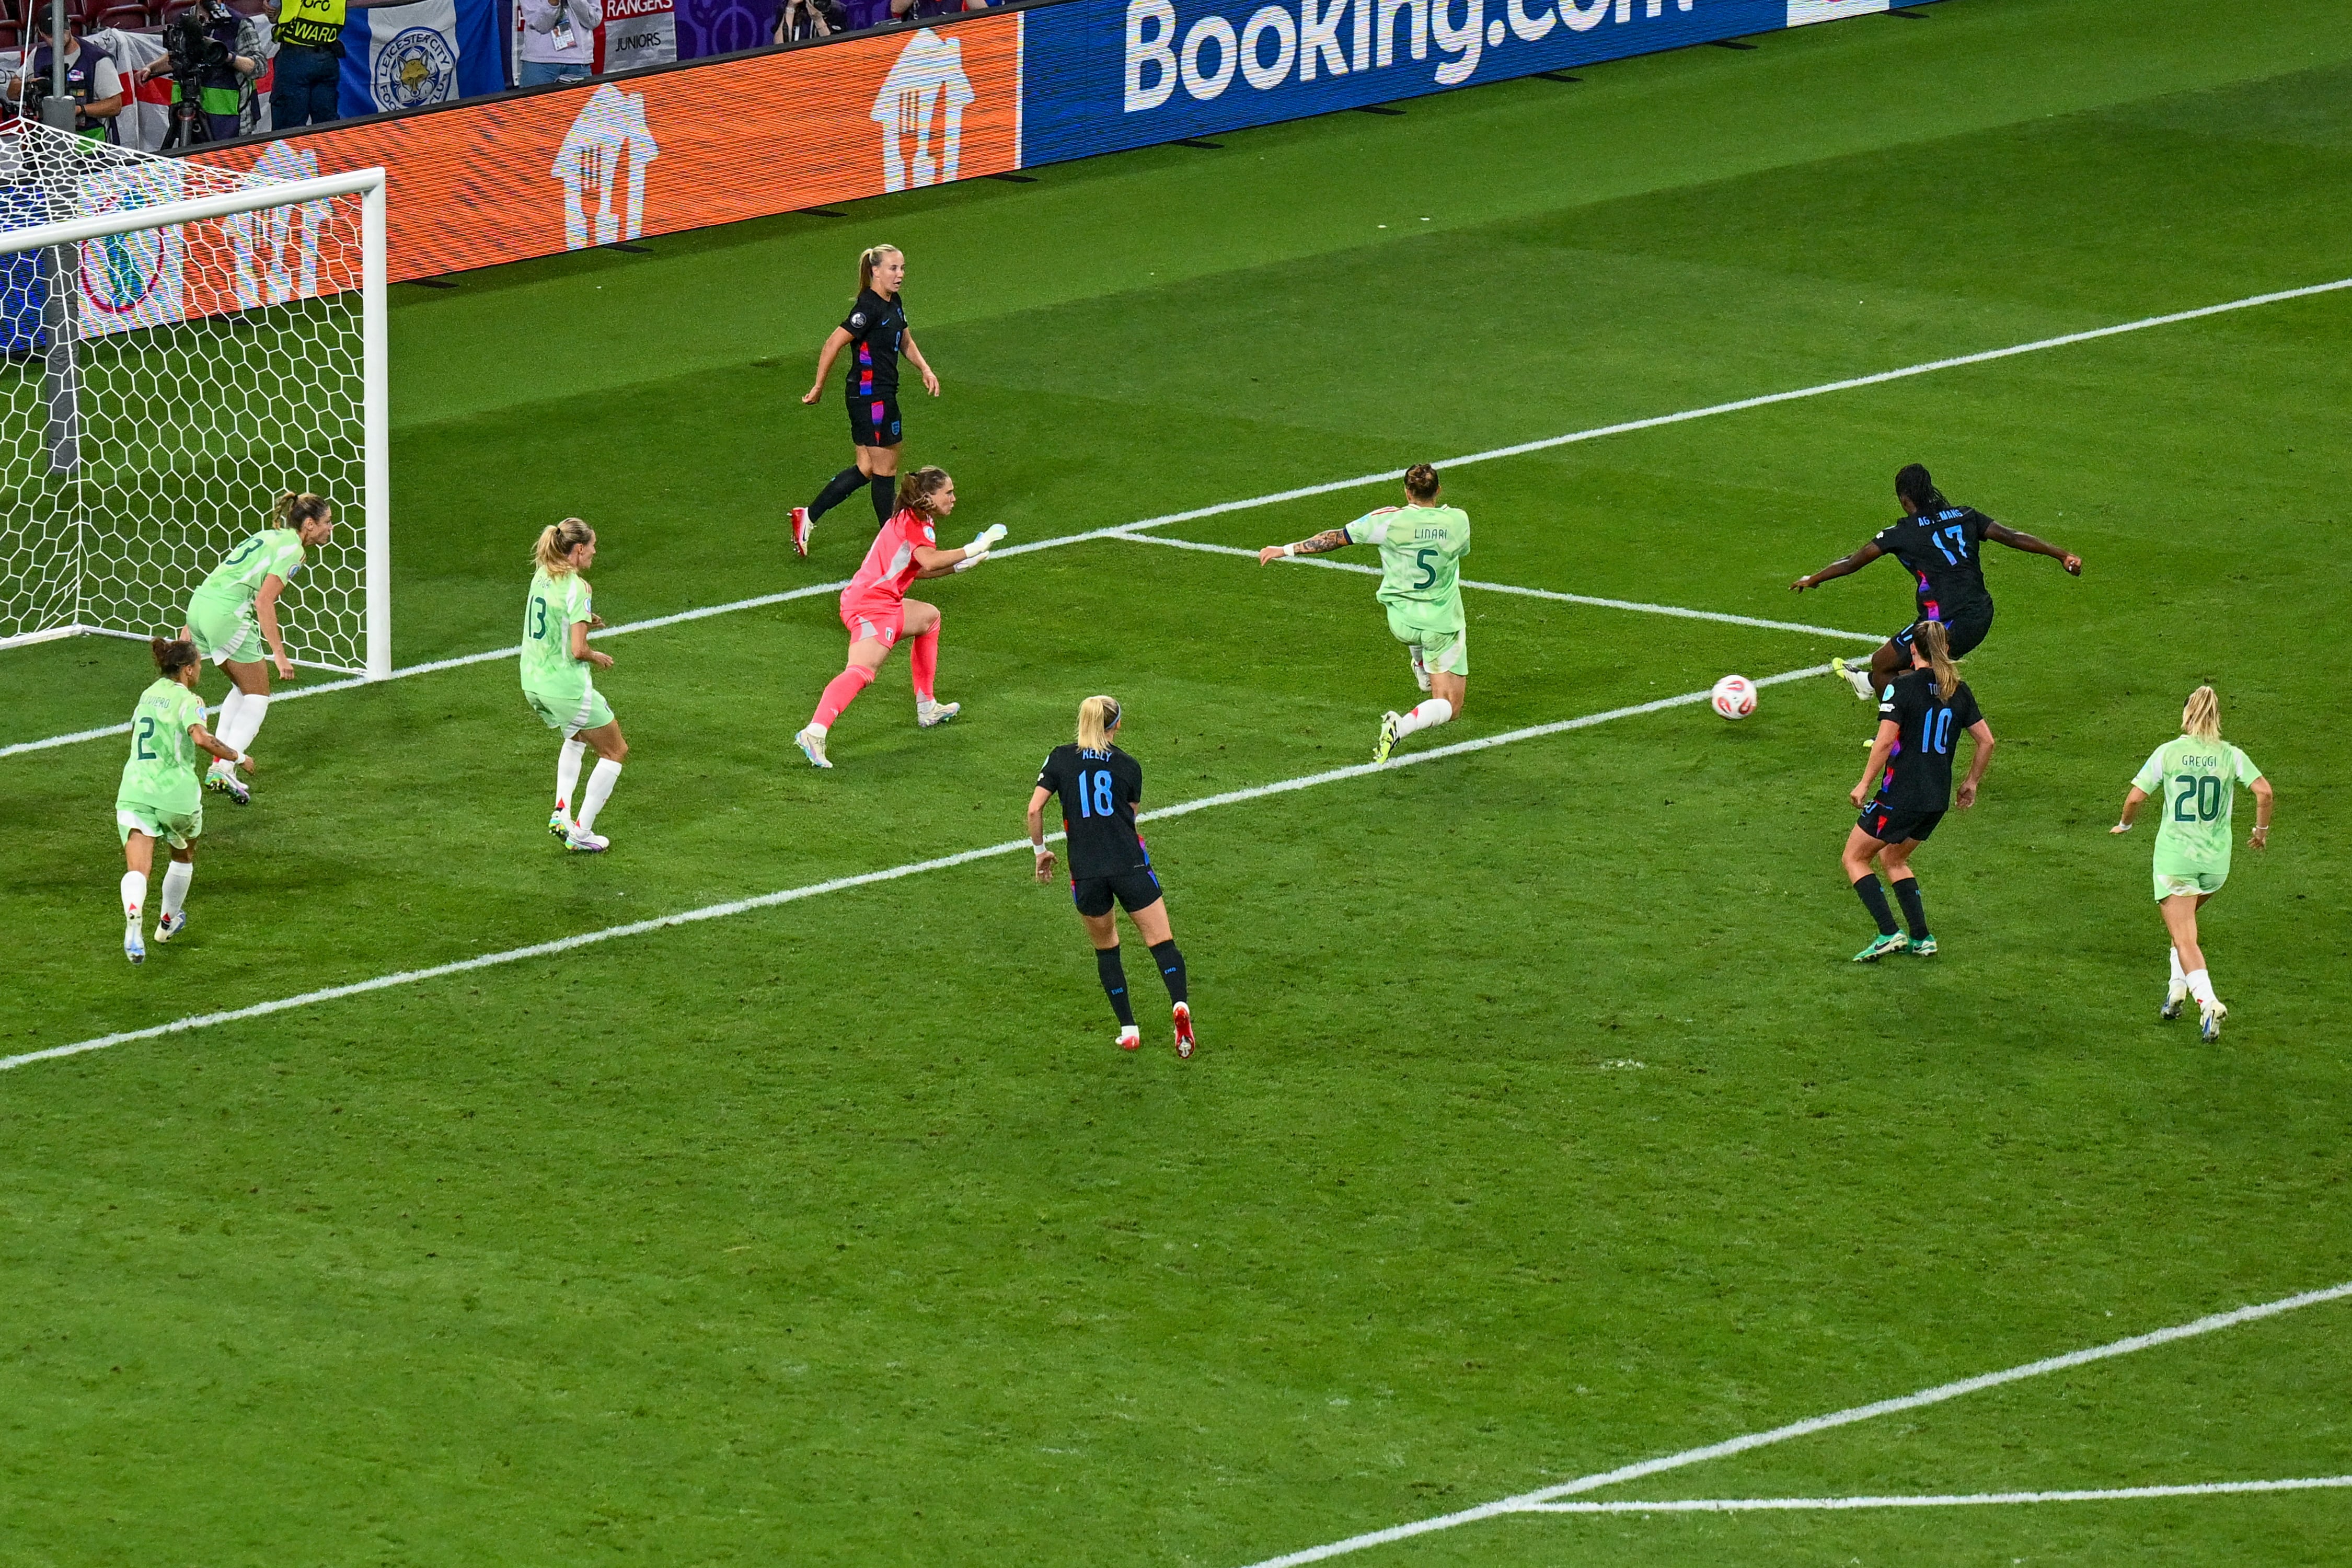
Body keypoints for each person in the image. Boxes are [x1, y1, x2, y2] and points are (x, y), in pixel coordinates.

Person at [1792, 463, 2083, 700]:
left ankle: (1897, 734)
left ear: (1905, 500)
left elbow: (1852, 562)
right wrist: (2062, 555)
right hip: (1982, 613)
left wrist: (1814, 579)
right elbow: (2012, 536)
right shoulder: (1965, 516)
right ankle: (1870, 685)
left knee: (1883, 665)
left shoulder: (1902, 533)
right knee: (1915, 671)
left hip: (1946, 623)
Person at [1256, 463, 1470, 763]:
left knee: (1419, 643)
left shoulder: (1386, 521)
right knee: (1449, 706)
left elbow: (1335, 538)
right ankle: (1401, 724)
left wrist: (1286, 549)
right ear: (1439, 491)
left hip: (1402, 621)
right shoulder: (1458, 521)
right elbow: (1459, 553)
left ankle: (1420, 663)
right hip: (1440, 622)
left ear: (1407, 492)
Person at [793, 467, 1001, 768]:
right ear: (929, 496)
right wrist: (974, 547)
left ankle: (927, 706)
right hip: (869, 606)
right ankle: (814, 732)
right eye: (949, 493)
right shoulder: (915, 523)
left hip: (886, 603)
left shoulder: (919, 518)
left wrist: (958, 567)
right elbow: (928, 560)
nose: (954, 498)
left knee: (929, 618)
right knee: (862, 671)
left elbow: (918, 568)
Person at [1028, 695, 1194, 1057]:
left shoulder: (1059, 758)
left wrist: (1041, 853)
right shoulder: (1129, 767)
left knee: (1107, 949)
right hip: (1129, 866)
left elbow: (1034, 809)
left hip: (1086, 873)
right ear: (1116, 725)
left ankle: (1129, 1029)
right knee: (1161, 942)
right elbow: (1128, 818)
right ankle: (1179, 1005)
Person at [2110, 686, 2272, 1041]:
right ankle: (2176, 991)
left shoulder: (2169, 753)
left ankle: (2208, 1002)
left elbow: (2136, 797)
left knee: (2185, 936)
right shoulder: (2231, 755)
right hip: (2215, 865)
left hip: (2176, 861)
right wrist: (2260, 832)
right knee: (2183, 925)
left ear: (2187, 715)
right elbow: (2264, 792)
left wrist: (2126, 824)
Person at [1842, 621, 1993, 962]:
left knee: (1854, 857)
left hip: (1902, 795)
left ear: (1913, 648)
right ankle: (1922, 937)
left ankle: (1888, 933)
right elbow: (1987, 741)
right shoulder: (1958, 689)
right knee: (1893, 857)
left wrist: (1865, 783)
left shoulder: (1901, 688)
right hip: (1935, 799)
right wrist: (1970, 782)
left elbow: (1884, 742)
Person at [179, 492, 335, 806]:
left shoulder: (269, 535)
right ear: (309, 524)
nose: (331, 528)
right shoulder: (293, 551)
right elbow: (264, 601)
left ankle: (219, 764)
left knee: (242, 686)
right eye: (327, 522)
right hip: (227, 614)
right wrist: (279, 654)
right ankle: (226, 765)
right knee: (258, 696)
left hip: (200, 605)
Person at [789, 245, 941, 557]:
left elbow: (905, 339)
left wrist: (924, 368)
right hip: (872, 398)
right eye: (893, 269)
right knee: (886, 469)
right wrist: (819, 386)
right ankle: (893, 542)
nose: (899, 275)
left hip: (877, 395)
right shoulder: (868, 308)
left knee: (867, 468)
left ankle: (808, 516)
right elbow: (834, 342)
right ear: (875, 271)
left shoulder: (893, 302)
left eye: (902, 268)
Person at [117, 638, 254, 963]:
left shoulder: (147, 694)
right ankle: (167, 922)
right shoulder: (190, 700)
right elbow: (201, 738)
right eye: (200, 666)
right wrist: (238, 756)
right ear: (188, 669)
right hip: (175, 794)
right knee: (183, 855)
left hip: (134, 789)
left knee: (138, 868)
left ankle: (133, 919)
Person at [521, 518, 628, 853]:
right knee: (615, 750)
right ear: (579, 549)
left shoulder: (542, 573)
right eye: (592, 546)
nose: (595, 552)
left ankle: (562, 811)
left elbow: (553, 618)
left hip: (532, 682)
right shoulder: (578, 588)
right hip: (565, 687)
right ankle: (581, 832)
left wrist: (584, 620)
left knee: (576, 736)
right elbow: (578, 650)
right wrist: (598, 657)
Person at [7, 16, 125, 141]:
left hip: (89, 146)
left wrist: (78, 110)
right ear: (41, 34)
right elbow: (12, 92)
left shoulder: (97, 59)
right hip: (47, 142)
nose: (58, 38)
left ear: (69, 26)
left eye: (62, 31)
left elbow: (115, 105)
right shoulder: (38, 56)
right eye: (51, 35)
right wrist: (32, 85)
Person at [518, 0, 602, 87]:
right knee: (532, 101)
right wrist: (553, 4)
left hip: (578, 64)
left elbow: (594, 20)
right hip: (540, 64)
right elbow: (540, 25)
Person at [775, 0, 846, 41]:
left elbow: (834, 48)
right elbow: (779, 45)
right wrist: (791, 8)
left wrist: (818, 20)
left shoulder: (836, 9)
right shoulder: (785, 6)